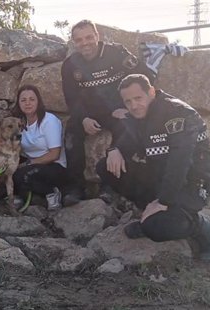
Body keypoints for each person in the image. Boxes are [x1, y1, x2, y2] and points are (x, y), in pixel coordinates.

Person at [96, 74, 210, 263]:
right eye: (128, 101)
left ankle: (202, 227)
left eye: (138, 98)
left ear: (151, 92)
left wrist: (163, 201)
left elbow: (180, 162)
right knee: (106, 167)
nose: (133, 105)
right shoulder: (138, 115)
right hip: (161, 177)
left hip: (191, 183)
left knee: (157, 229)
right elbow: (127, 141)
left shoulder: (177, 112)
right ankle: (151, 214)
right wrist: (114, 150)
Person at [61, 19, 155, 205]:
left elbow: (145, 77)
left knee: (128, 127)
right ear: (74, 42)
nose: (85, 43)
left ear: (97, 36)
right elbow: (71, 98)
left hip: (117, 111)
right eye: (79, 40)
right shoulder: (70, 65)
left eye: (89, 37)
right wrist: (83, 118)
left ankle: (110, 186)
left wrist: (128, 105)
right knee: (71, 133)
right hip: (90, 114)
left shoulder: (117, 53)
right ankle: (75, 187)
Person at [11, 85, 70, 211]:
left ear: (38, 101)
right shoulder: (20, 123)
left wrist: (29, 163)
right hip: (32, 164)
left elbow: (55, 154)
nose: (28, 103)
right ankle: (25, 195)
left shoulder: (49, 121)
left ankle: (52, 192)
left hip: (54, 166)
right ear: (19, 103)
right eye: (23, 100)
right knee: (8, 169)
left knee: (23, 174)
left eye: (32, 99)